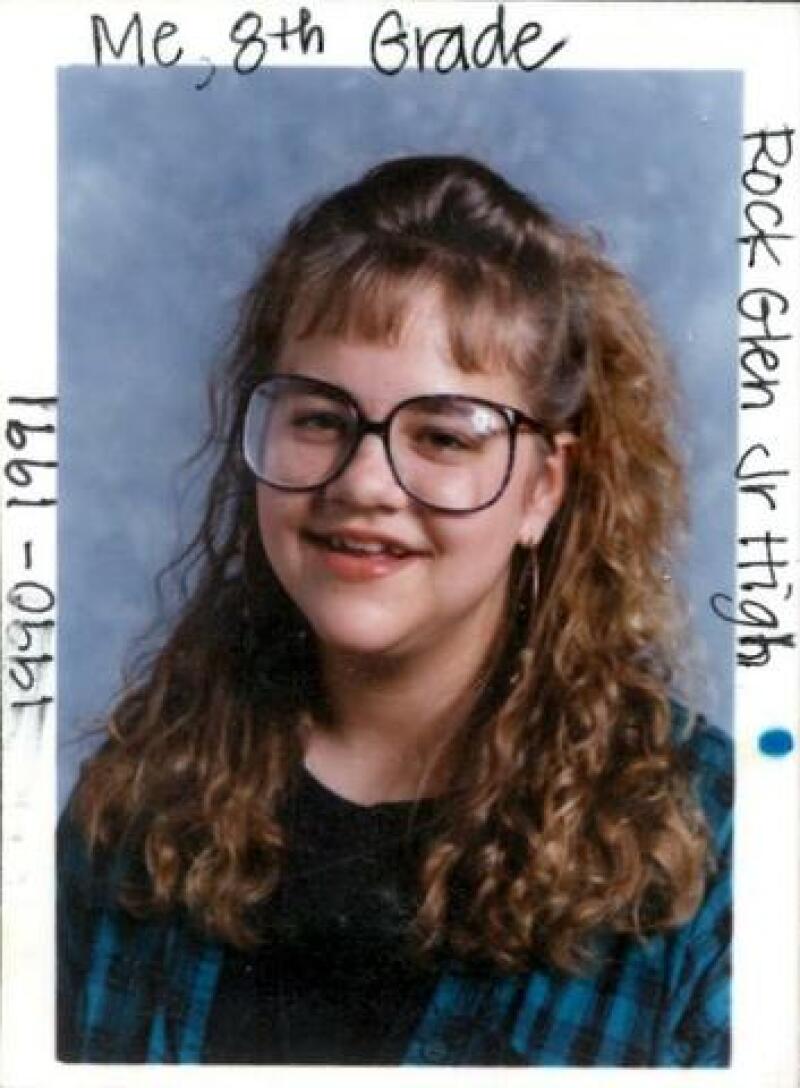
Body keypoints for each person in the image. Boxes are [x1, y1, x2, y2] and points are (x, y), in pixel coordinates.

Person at [57, 155, 732, 1067]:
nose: (365, 483)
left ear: (542, 488)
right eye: (320, 419)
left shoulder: (714, 849)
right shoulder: (137, 799)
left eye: (445, 436)